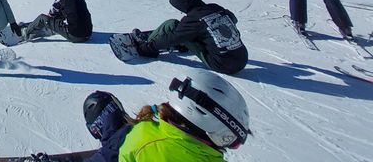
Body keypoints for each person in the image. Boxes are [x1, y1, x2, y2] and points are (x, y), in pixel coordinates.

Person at [78, 71, 251, 162]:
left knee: (118, 140)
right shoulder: (151, 143)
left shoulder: (147, 133)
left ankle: (108, 132)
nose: (231, 146)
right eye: (232, 141)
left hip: (126, 146)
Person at [129, 0, 248, 75]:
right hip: (242, 59)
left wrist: (146, 48)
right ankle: (185, 43)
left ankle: (148, 44)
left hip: (221, 65)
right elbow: (233, 19)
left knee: (172, 25)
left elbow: (173, 37)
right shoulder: (215, 8)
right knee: (200, 30)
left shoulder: (194, 18)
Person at [19, 0, 92, 42]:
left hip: (75, 36)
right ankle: (55, 28)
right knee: (65, 14)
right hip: (88, 34)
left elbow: (52, 11)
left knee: (42, 18)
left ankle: (26, 32)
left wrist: (50, 19)